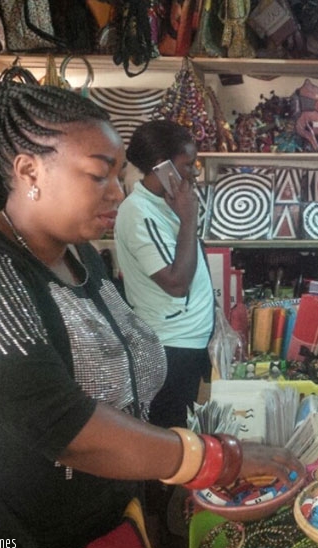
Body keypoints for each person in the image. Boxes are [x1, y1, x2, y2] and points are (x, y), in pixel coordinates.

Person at [0, 83, 293, 548]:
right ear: (29, 170)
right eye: (99, 176)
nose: (117, 193)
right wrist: (217, 459)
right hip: (18, 534)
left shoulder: (80, 256)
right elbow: (66, 428)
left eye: (118, 176)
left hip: (107, 518)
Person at [114, 119, 214, 432]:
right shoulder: (138, 212)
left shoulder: (169, 202)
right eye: (187, 165)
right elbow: (176, 283)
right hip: (171, 347)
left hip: (189, 342)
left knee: (184, 433)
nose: (194, 173)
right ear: (162, 167)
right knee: (170, 441)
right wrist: (188, 220)